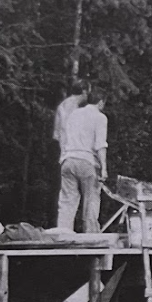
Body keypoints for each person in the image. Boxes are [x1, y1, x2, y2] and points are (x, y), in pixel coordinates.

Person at [57, 87, 108, 233]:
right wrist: (104, 168)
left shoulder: (74, 114)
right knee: (91, 201)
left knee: (67, 201)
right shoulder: (100, 117)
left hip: (68, 159)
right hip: (87, 161)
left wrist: (63, 155)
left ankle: (63, 234)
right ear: (101, 102)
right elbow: (100, 144)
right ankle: (91, 236)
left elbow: (62, 134)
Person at [53, 81, 88, 159]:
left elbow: (56, 133)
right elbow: (66, 126)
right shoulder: (71, 104)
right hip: (70, 148)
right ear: (84, 92)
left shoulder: (68, 103)